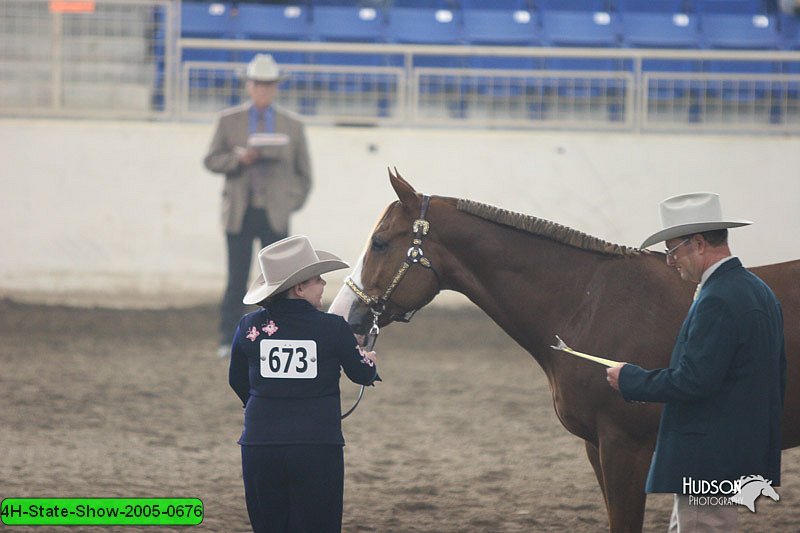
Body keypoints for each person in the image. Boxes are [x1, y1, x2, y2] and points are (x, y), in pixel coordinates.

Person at [606, 192, 786, 532]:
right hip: (732, 445)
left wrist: (630, 380)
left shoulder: (718, 298)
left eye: (673, 251)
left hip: (708, 453)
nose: (670, 262)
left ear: (699, 243)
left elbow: (694, 380)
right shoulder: (755, 288)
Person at [228, 235, 379, 533]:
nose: (324, 285)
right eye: (318, 280)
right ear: (299, 288)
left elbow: (237, 380)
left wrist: (270, 404)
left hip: (260, 442)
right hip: (316, 443)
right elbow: (361, 374)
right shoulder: (333, 327)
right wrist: (369, 360)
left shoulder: (248, 327)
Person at [204, 53, 312, 358]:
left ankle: (276, 333)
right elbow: (211, 159)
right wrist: (238, 160)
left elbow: (304, 174)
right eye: (258, 84)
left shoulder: (292, 126)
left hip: (275, 213)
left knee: (277, 281)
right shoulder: (228, 121)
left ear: (275, 87)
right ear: (249, 86)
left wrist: (290, 203)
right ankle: (229, 337)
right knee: (236, 278)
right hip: (240, 210)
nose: (263, 90)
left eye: (268, 84)